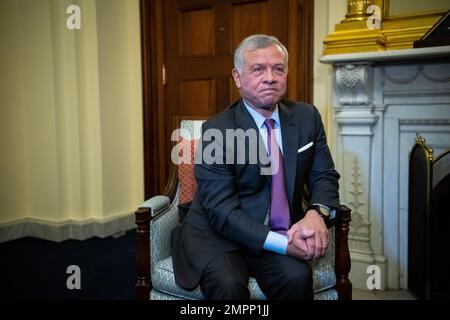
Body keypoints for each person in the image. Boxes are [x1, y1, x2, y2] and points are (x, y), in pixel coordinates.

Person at [171, 34, 340, 300]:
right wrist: (285, 245)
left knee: (297, 278)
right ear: (238, 78)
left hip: (275, 228)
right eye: (258, 69)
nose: (270, 77)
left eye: (278, 68)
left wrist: (316, 213)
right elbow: (221, 212)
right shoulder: (217, 131)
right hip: (217, 235)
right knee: (228, 285)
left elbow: (325, 175)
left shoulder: (307, 117)